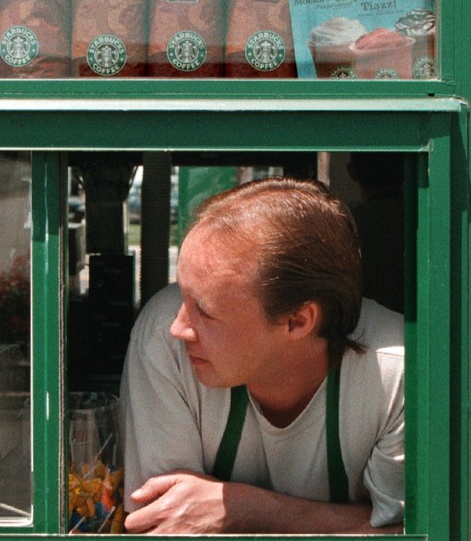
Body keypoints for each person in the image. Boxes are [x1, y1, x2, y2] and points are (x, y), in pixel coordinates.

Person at [119, 177, 404, 534]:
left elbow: (414, 529)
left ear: (297, 321)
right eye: (183, 295)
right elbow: (162, 523)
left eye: (204, 311)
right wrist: (351, 523)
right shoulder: (164, 340)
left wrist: (243, 509)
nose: (179, 327)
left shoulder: (397, 372)